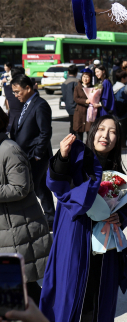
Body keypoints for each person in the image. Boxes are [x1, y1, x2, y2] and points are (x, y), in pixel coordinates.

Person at [40, 116, 127, 322]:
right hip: (75, 238)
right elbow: (56, 184)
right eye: (101, 129)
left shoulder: (117, 172)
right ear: (93, 133)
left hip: (103, 248)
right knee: (70, 296)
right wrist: (63, 156)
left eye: (112, 132)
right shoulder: (77, 162)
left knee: (98, 299)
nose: (106, 135)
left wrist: (121, 217)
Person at [0, 108, 52, 304]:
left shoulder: (9, 149)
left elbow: (20, 187)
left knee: (25, 286)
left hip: (19, 229)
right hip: (6, 229)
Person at [10, 74, 55, 229]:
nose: (15, 95)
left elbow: (45, 132)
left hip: (36, 157)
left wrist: (37, 154)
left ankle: (35, 220)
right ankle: (51, 219)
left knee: (31, 188)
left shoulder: (40, 105)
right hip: (26, 155)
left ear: (28, 88)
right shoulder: (27, 104)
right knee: (41, 188)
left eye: (17, 91)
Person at [73, 69, 94, 142]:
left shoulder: (92, 87)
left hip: (89, 111)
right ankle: (79, 150)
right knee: (79, 131)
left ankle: (88, 149)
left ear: (90, 78)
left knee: (89, 131)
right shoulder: (77, 87)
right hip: (79, 112)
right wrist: (85, 101)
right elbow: (76, 98)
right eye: (84, 76)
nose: (85, 79)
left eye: (87, 77)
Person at [4, 66, 25, 132]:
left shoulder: (6, 88)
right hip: (24, 119)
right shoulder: (26, 89)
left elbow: (7, 104)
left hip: (12, 119)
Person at [61, 64, 79, 136]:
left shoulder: (64, 83)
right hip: (76, 107)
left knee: (72, 124)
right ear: (76, 73)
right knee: (76, 126)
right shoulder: (77, 82)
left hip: (68, 106)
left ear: (68, 72)